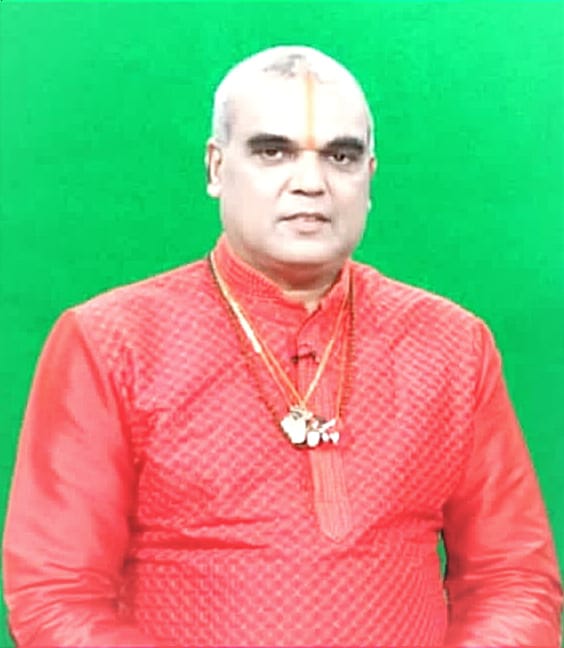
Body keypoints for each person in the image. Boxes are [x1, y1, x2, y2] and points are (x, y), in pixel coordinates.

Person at [2, 45, 562, 647]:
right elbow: (57, 597)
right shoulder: (111, 343)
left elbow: (514, 581)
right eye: (274, 152)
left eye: (341, 157)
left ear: (369, 177)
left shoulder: (452, 344)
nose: (311, 184)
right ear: (216, 168)